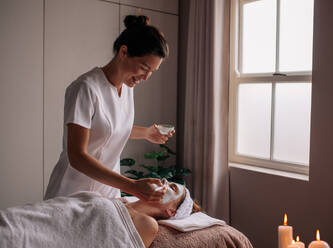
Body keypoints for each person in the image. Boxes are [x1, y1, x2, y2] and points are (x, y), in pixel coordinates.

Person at [45, 15, 174, 202]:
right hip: (72, 195)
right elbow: (77, 156)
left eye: (151, 72)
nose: (145, 78)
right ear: (124, 52)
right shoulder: (86, 88)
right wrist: (132, 186)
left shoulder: (127, 88)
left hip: (107, 197)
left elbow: (109, 129)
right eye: (144, 68)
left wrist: (147, 133)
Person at [0, 181, 199, 248]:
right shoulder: (117, 199)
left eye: (171, 188)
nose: (163, 183)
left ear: (171, 211)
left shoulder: (147, 224)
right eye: (166, 180)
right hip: (25, 218)